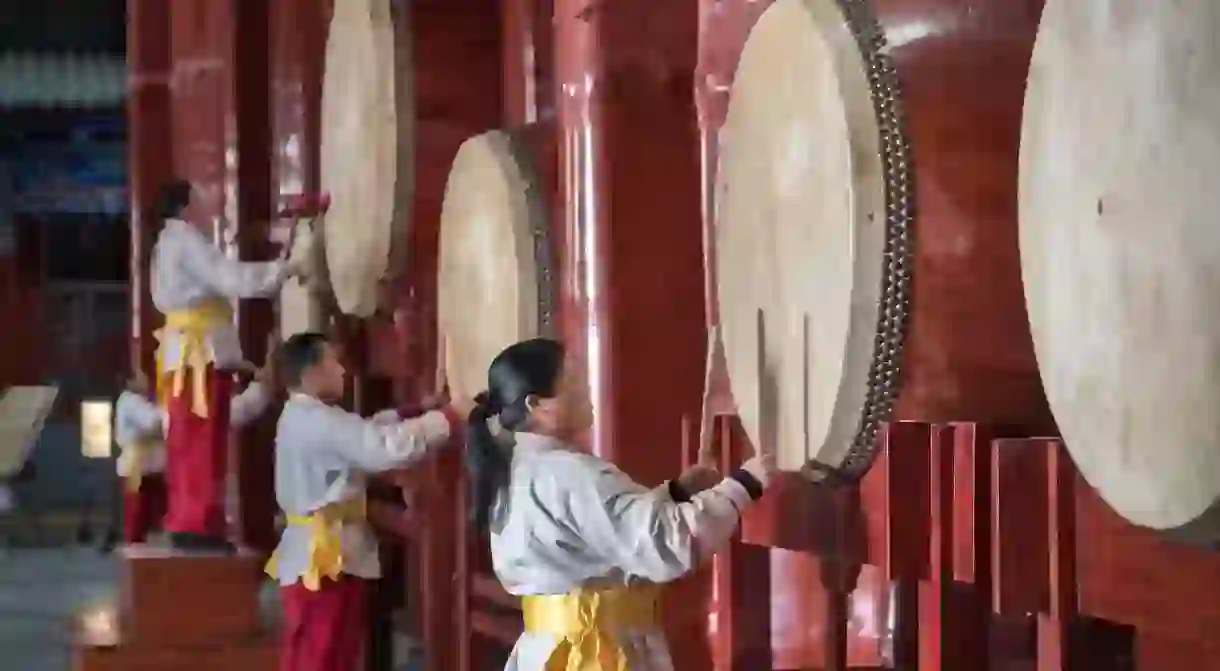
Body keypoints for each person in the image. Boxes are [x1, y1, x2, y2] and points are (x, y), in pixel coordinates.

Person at [465, 338, 776, 671]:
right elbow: (665, 542)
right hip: (592, 654)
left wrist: (676, 493)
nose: (585, 388)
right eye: (573, 380)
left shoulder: (518, 468)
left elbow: (595, 535)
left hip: (548, 650)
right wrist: (745, 484)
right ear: (536, 404)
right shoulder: (568, 473)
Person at [266, 332, 474, 671]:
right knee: (322, 655)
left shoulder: (308, 416)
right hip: (324, 558)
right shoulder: (318, 421)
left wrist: (419, 410)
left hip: (329, 552)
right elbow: (381, 448)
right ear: (311, 374)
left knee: (330, 653)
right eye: (333, 362)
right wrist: (449, 417)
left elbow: (363, 431)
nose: (342, 371)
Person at [149, 178, 304, 551]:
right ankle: (198, 525)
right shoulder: (185, 240)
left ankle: (192, 520)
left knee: (192, 441)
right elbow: (230, 278)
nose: (205, 210)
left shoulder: (167, 244)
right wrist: (285, 268)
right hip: (197, 355)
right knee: (201, 442)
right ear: (186, 207)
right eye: (199, 202)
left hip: (188, 354)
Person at [115, 364, 277, 545]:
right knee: (138, 522)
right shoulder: (130, 400)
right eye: (140, 375)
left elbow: (228, 412)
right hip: (139, 469)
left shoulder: (160, 401)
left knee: (152, 521)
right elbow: (155, 422)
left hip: (160, 471)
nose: (146, 380)